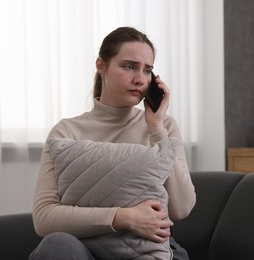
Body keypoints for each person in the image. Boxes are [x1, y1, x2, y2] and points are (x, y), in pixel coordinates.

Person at [29, 26, 196, 260]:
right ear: (101, 66)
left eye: (147, 70)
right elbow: (44, 217)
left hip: (149, 250)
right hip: (82, 250)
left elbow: (181, 208)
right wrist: (123, 217)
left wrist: (157, 129)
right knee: (57, 244)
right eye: (129, 66)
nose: (140, 79)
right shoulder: (67, 132)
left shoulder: (164, 126)